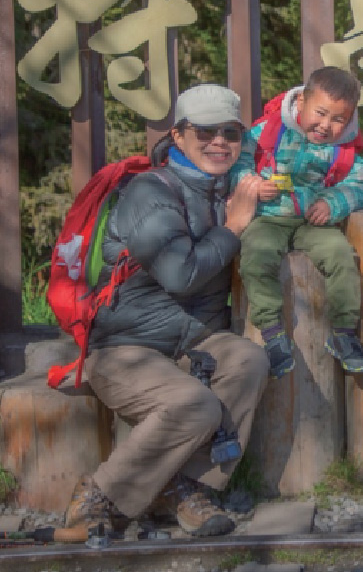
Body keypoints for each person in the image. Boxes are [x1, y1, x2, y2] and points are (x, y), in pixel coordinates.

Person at [64, 84, 268, 538]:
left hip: (192, 340)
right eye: (206, 131)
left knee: (248, 359)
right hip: (123, 347)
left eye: (230, 133)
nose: (219, 142)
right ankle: (98, 495)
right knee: (192, 404)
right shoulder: (149, 192)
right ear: (177, 136)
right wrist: (234, 226)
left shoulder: (231, 185)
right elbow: (180, 274)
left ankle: (183, 488)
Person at [231, 66, 363, 377]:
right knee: (255, 254)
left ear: (349, 120)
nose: (326, 125)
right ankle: (271, 333)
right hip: (268, 218)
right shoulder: (269, 132)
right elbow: (240, 160)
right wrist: (253, 183)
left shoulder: (341, 150)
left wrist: (332, 202)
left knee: (341, 255)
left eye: (338, 119)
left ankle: (344, 333)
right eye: (320, 113)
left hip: (312, 222)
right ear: (301, 103)